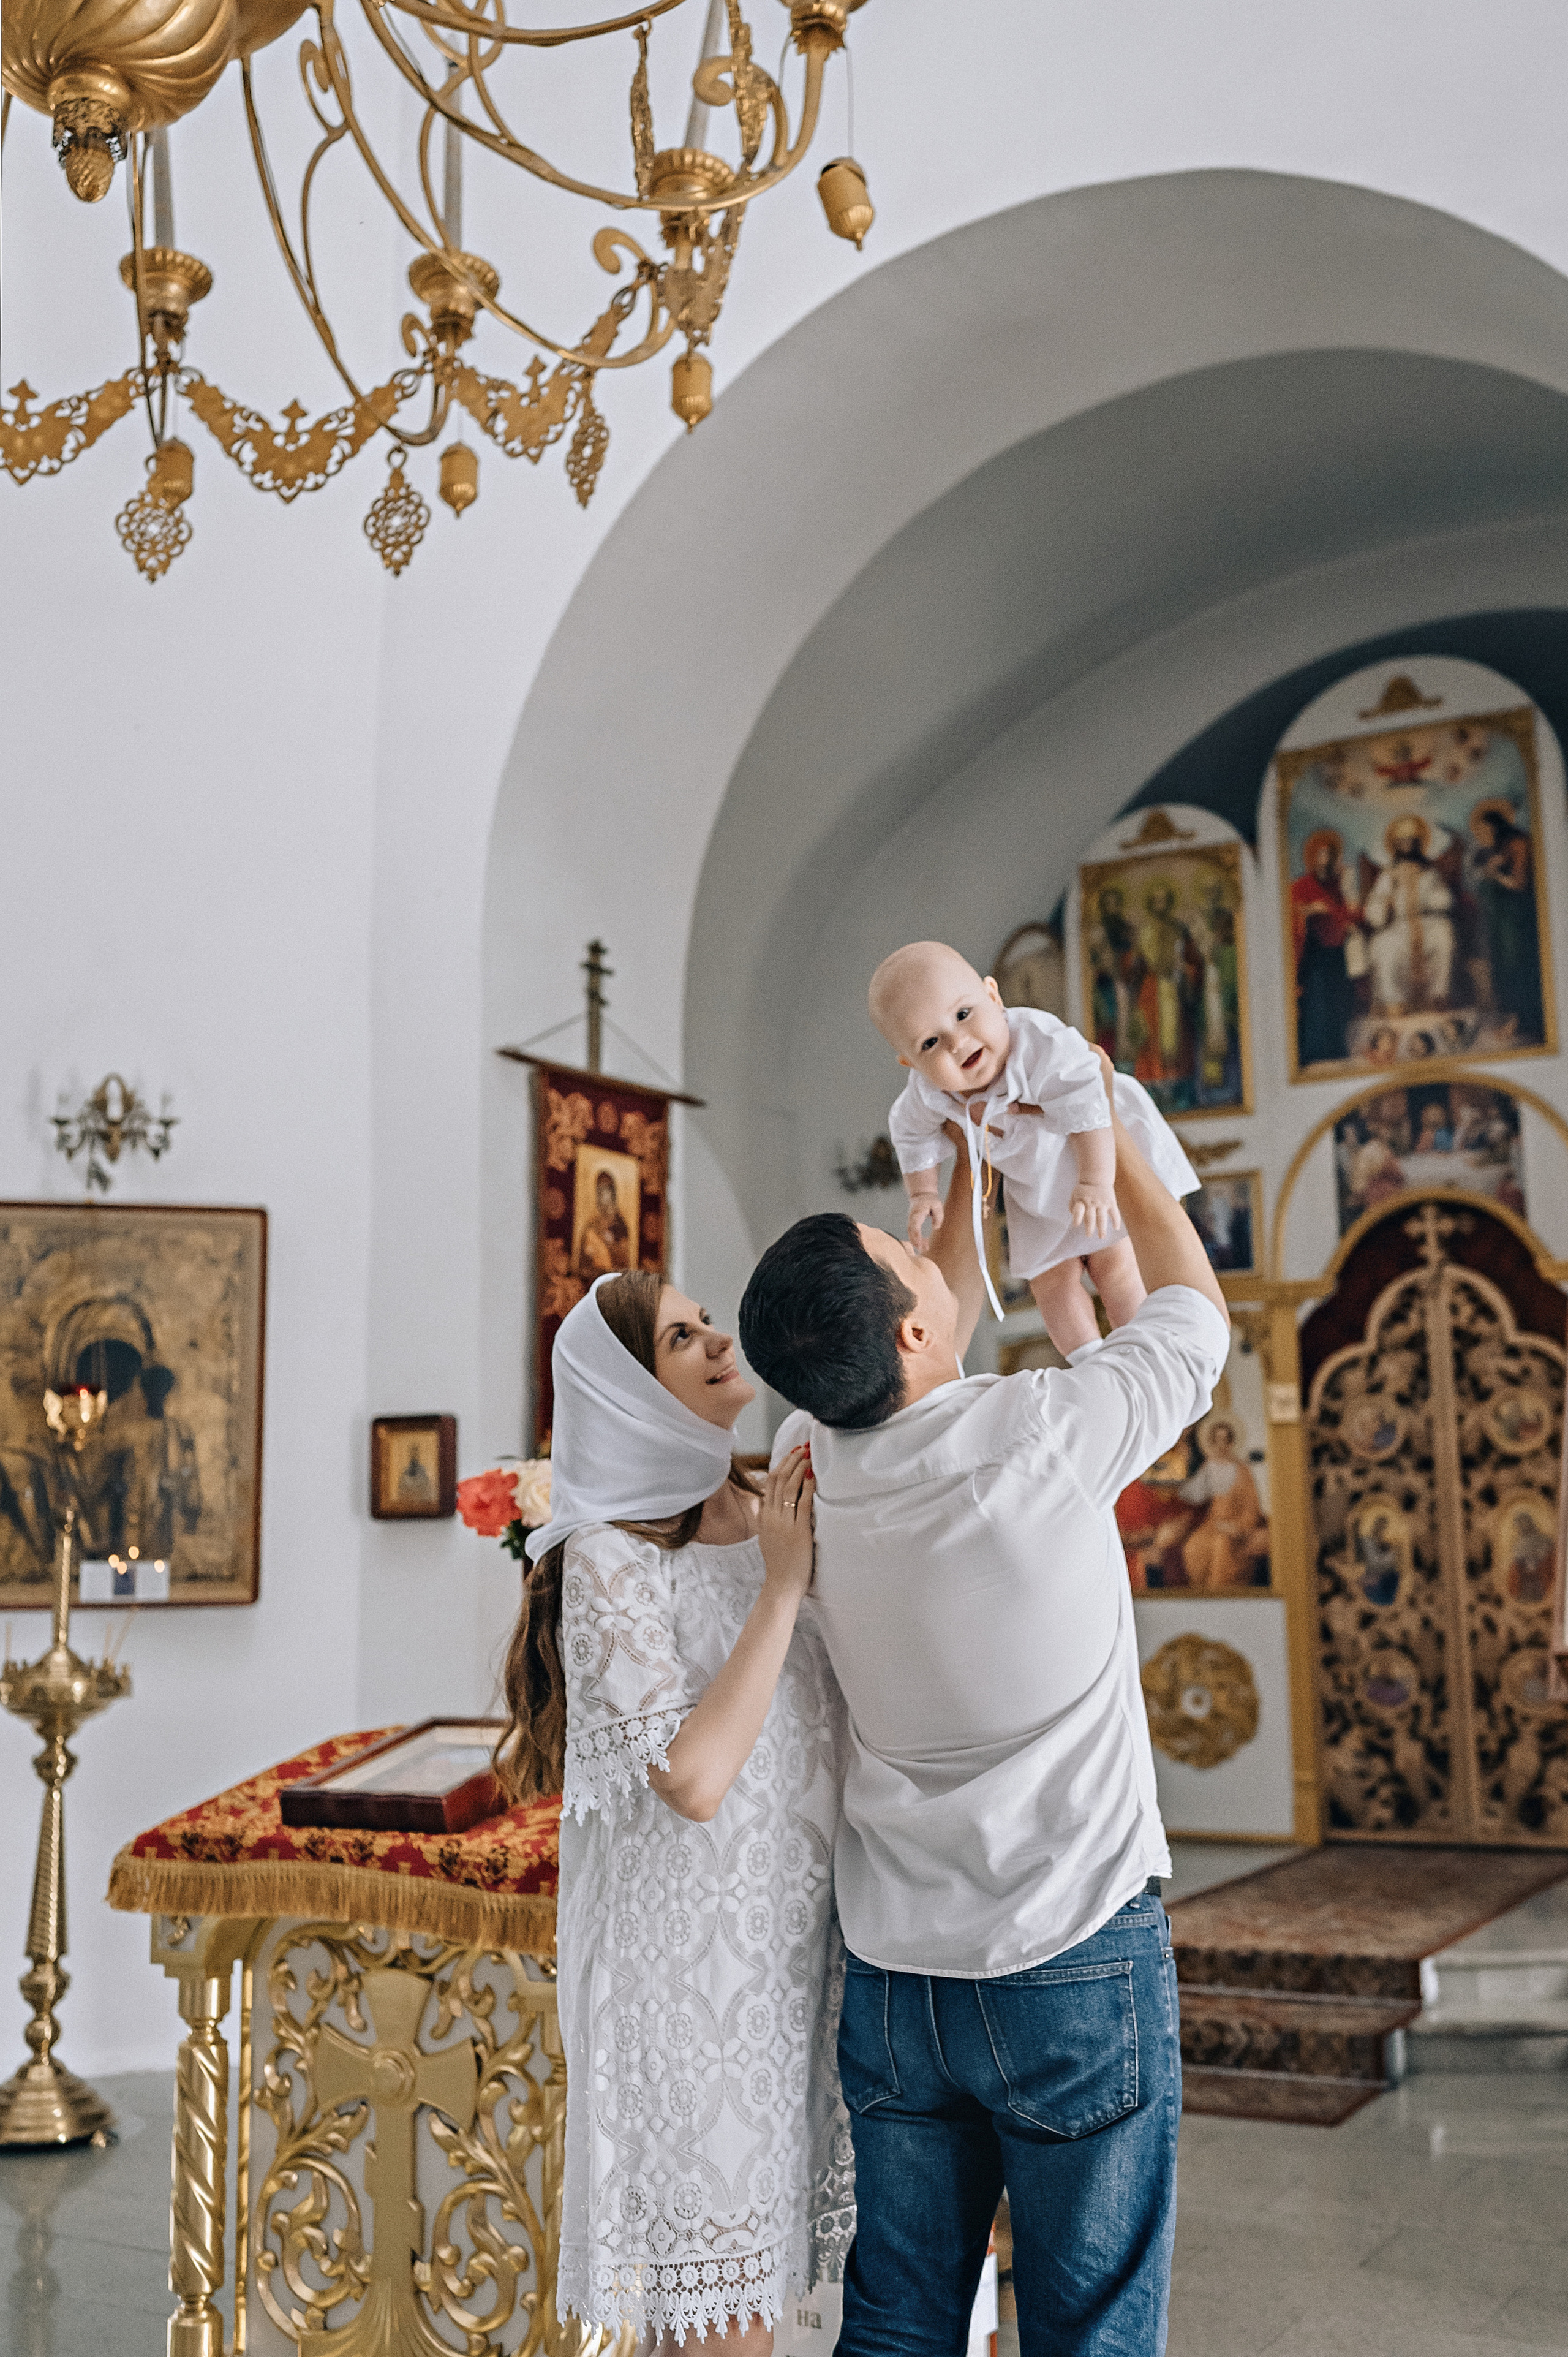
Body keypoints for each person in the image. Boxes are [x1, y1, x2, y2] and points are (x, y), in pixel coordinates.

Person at [739, 1056, 1229, 2357]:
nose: (918, 1258)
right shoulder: (1043, 1433)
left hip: (899, 1977)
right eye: (899, 1262)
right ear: (908, 1331)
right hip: (1067, 1950)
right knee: (1089, 2327)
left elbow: (922, 1313)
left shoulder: (805, 1459)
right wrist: (1103, 1120)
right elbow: (1189, 1315)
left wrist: (955, 1150)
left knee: (897, 2322)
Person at [496, 1269, 854, 2348]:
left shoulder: (777, 1499)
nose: (714, 1340)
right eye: (677, 1337)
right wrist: (783, 1589)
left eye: (707, 1321)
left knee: (803, 2310)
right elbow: (693, 1781)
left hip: (804, 1960)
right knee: (724, 2325)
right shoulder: (606, 1554)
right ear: (626, 1391)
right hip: (691, 1992)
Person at [872, 940, 1196, 1358]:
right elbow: (910, 1133)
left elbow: (1089, 1099)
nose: (957, 1042)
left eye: (964, 1014)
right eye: (930, 1042)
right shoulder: (928, 1093)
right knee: (1049, 1283)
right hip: (1036, 1191)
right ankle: (1089, 1361)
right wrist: (923, 1193)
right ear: (910, 1063)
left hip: (1086, 1158)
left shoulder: (1039, 1044)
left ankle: (1146, 1355)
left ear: (993, 995)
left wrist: (1095, 1181)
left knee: (1115, 1264)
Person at [1363, 814, 1455, 1015]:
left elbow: (1445, 901)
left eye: (1410, 840)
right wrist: (1388, 898)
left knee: (1444, 933)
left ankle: (1436, 997)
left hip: (1426, 922)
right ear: (1395, 845)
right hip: (1399, 927)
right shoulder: (1388, 875)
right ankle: (1394, 1003)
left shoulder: (1429, 872)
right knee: (1384, 945)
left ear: (1418, 843)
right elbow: (1373, 911)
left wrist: (1430, 897)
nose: (1406, 845)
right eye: (1401, 841)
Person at [1289, 827, 1362, 1067]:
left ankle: (1337, 1050)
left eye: (1330, 855)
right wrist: (1309, 911)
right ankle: (1316, 1052)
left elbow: (1352, 915)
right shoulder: (1300, 886)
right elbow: (1292, 917)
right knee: (1317, 1002)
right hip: (1314, 954)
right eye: (1320, 855)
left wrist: (1335, 905)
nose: (1325, 860)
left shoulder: (1339, 885)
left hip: (1337, 952)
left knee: (1339, 1000)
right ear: (1311, 857)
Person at [1178, 1417, 1267, 1590]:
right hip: (1213, 1524)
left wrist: (1238, 1527)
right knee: (1193, 1547)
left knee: (1221, 1546)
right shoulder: (1209, 1467)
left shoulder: (1242, 1470)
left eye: (1225, 1440)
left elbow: (1251, 1508)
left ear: (1231, 1442)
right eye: (1217, 1440)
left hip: (1235, 1526)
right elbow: (1193, 1494)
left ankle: (1217, 1594)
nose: (1221, 1445)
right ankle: (1202, 1593)